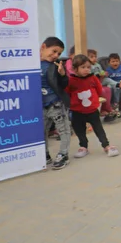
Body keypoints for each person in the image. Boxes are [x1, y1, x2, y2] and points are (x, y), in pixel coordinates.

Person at [67, 55, 120, 159]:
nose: (86, 69)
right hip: (77, 110)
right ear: (75, 69)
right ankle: (83, 147)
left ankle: (106, 146)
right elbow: (67, 92)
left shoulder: (93, 78)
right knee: (79, 129)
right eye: (83, 67)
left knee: (98, 128)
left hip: (92, 109)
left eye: (88, 67)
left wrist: (95, 100)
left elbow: (99, 89)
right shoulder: (71, 80)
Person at [40, 37, 72, 170]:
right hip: (41, 106)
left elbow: (64, 84)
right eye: (54, 51)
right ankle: (45, 154)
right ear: (43, 47)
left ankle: (63, 154)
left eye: (58, 53)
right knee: (42, 131)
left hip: (56, 104)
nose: (55, 55)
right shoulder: (31, 63)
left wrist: (63, 74)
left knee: (63, 129)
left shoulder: (56, 66)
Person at [88, 49, 120, 119]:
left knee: (108, 87)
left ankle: (105, 109)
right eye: (92, 57)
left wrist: (104, 74)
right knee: (103, 90)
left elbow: (101, 71)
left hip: (100, 81)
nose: (94, 58)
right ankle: (108, 108)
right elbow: (89, 75)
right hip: (93, 84)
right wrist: (98, 75)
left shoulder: (98, 65)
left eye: (95, 56)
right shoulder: (88, 66)